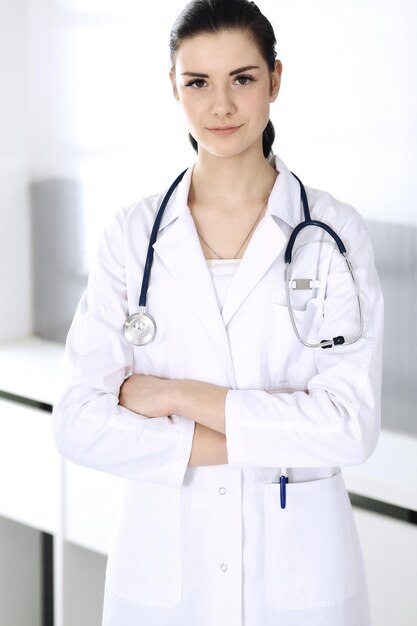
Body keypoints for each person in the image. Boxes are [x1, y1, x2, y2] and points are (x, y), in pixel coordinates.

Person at [52, 1, 384, 624]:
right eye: (198, 82)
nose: (221, 106)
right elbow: (77, 423)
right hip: (163, 584)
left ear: (275, 80)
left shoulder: (331, 234)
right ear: (173, 88)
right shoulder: (131, 237)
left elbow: (349, 427)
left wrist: (173, 393)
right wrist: (277, 427)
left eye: (243, 78)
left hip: (299, 588)